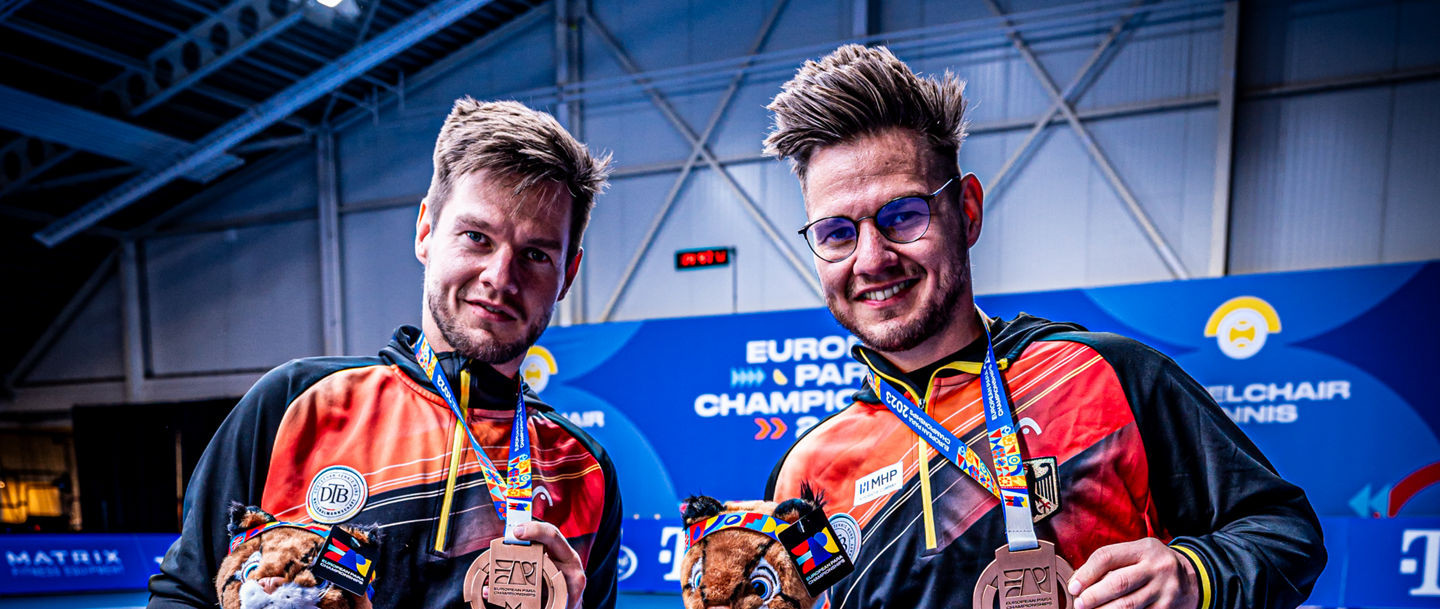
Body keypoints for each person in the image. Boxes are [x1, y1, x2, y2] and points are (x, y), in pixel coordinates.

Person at [762, 45, 1324, 609]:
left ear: (968, 211)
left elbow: (1284, 532)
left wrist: (1194, 576)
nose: (871, 258)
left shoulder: (1108, 374)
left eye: (904, 216)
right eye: (837, 232)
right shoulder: (805, 473)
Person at [149, 98, 622, 609]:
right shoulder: (295, 403)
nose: (500, 278)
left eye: (535, 254)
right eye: (476, 237)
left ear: (567, 275)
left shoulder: (584, 471)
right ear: (425, 231)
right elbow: (186, 594)